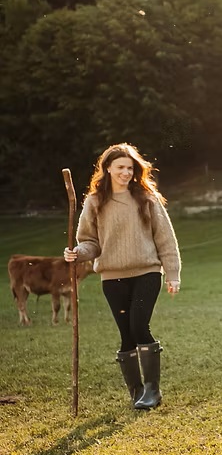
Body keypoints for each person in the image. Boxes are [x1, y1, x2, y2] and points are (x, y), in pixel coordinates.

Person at [64, 143, 181, 410]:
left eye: (130, 168)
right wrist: (77, 253)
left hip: (147, 272)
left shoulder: (147, 198)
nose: (126, 173)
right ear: (107, 168)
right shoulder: (95, 202)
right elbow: (90, 242)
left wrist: (172, 274)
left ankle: (152, 391)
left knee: (140, 326)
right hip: (112, 276)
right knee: (126, 334)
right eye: (121, 168)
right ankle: (136, 391)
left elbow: (166, 240)